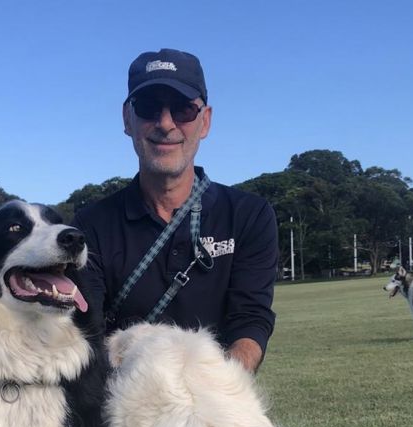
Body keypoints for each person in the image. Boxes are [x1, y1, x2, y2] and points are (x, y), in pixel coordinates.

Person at [73, 48, 279, 373]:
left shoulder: (248, 215)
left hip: (213, 395)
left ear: (205, 121)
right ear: (127, 118)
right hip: (126, 400)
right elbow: (87, 329)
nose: (165, 123)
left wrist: (222, 385)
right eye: (149, 108)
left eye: (183, 109)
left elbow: (250, 319)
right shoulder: (91, 226)